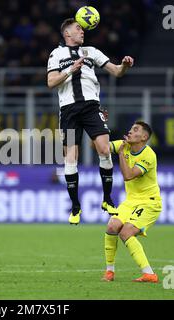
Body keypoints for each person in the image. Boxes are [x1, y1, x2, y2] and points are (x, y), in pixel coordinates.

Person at [47, 18, 134, 224]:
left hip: (91, 107)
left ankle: (107, 199)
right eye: (78, 28)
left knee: (104, 150)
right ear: (67, 33)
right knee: (71, 157)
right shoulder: (56, 54)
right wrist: (70, 70)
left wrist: (124, 65)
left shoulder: (91, 52)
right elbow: (51, 82)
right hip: (68, 109)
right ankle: (76, 206)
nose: (82, 31)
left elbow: (116, 71)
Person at [102, 121, 162, 283]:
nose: (129, 131)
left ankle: (149, 274)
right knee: (112, 226)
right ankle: (109, 272)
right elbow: (101, 147)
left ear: (144, 137)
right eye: (130, 128)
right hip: (131, 201)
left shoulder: (149, 155)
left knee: (125, 232)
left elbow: (128, 175)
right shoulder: (124, 144)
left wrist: (121, 154)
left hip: (149, 202)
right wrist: (98, 126)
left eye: (135, 129)